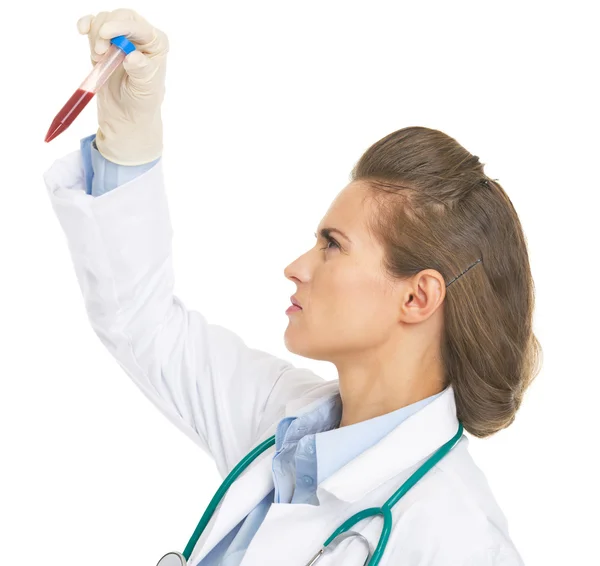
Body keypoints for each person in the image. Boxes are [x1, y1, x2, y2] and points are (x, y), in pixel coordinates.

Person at [42, 9, 542, 566]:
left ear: (417, 297)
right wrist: (126, 141)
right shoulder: (283, 424)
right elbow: (142, 324)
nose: (296, 266)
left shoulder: (459, 541)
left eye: (332, 244)